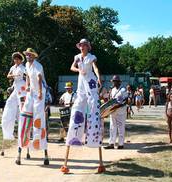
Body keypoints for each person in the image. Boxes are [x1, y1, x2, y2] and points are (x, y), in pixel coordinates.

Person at [60, 39, 105, 174]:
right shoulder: (77, 57)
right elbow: (72, 67)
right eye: (81, 45)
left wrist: (98, 77)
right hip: (81, 87)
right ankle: (66, 162)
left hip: (90, 84)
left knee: (94, 112)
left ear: (87, 47)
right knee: (76, 114)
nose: (82, 47)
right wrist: (79, 69)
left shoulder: (91, 57)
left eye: (84, 45)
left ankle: (100, 160)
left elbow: (95, 67)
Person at [16, 48, 49, 165]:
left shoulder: (38, 66)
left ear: (34, 56)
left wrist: (40, 92)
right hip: (31, 92)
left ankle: (41, 147)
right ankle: (22, 145)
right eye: (27, 54)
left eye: (30, 55)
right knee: (24, 115)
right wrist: (27, 86)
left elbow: (39, 78)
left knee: (38, 118)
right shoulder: (26, 64)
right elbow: (28, 76)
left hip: (39, 92)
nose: (28, 56)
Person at [1, 52, 27, 156]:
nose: (16, 60)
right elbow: (8, 76)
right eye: (15, 59)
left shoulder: (23, 67)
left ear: (21, 60)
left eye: (18, 59)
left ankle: (24, 136)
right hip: (15, 89)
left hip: (22, 89)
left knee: (22, 112)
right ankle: (7, 132)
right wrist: (13, 75)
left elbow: (27, 76)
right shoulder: (13, 67)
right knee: (8, 106)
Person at [104, 75, 128, 150]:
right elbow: (110, 100)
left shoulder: (123, 90)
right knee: (112, 127)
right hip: (113, 111)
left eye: (114, 81)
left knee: (120, 127)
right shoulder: (112, 90)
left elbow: (126, 100)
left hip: (121, 112)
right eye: (113, 81)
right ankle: (111, 143)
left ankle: (120, 144)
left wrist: (118, 106)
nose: (113, 83)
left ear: (118, 82)